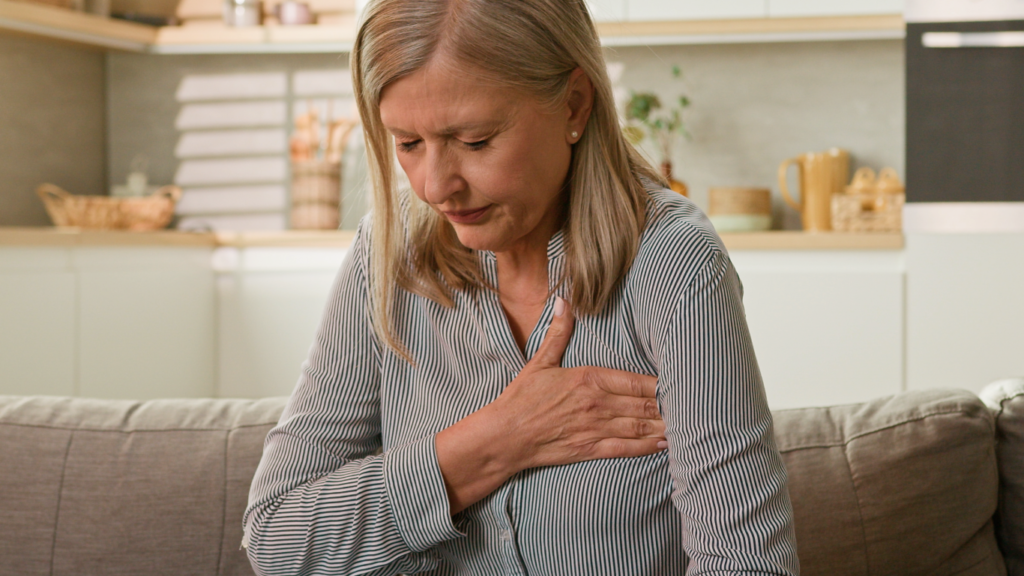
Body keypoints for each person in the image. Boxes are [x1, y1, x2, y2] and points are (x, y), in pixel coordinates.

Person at [243, 0, 800, 574]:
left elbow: (746, 562)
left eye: (476, 141)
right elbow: (277, 539)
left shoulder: (670, 264)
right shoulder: (386, 255)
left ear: (573, 104)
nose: (436, 186)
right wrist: (499, 438)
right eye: (407, 144)